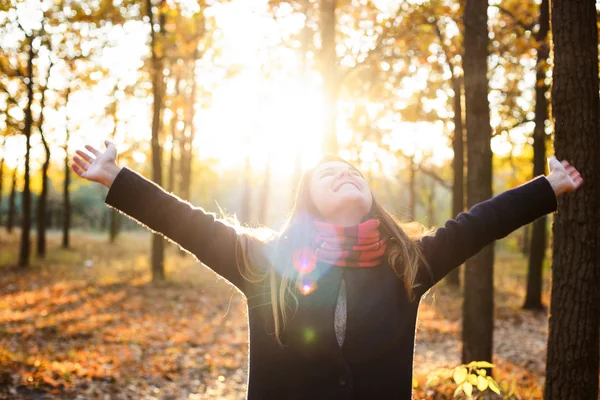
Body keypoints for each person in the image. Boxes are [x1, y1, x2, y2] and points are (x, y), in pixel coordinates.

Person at [71, 140, 583, 399]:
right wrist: (116, 177)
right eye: (330, 174)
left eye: (354, 173)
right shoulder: (265, 262)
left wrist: (547, 187)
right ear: (307, 200)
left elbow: (477, 225)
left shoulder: (407, 264)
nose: (346, 175)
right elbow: (189, 223)